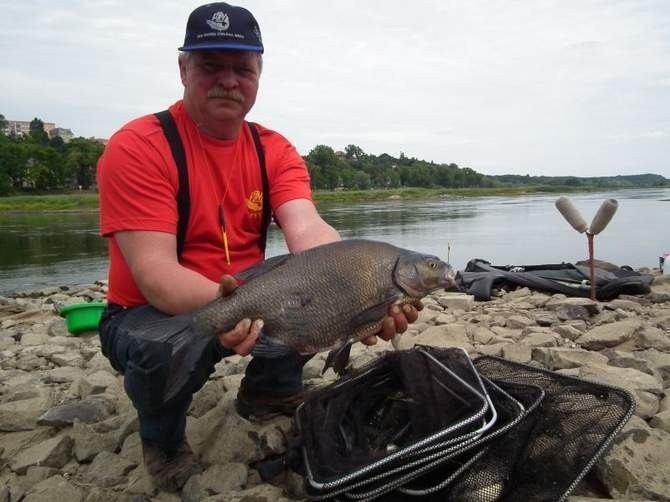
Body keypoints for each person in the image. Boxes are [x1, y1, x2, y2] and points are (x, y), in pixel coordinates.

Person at [96, 2, 421, 492]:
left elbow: (309, 233)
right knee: (156, 350)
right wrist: (235, 306)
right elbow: (156, 277)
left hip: (247, 299)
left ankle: (268, 393)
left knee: (315, 294)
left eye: (242, 68)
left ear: (258, 74)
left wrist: (360, 289)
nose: (228, 80)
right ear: (183, 68)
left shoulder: (274, 149)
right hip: (150, 315)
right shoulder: (140, 146)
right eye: (211, 66)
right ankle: (161, 438)